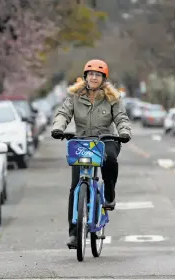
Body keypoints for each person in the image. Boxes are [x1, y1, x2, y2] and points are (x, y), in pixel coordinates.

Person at [51, 59, 132, 247]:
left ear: (103, 78)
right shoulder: (74, 96)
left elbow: (121, 117)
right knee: (75, 187)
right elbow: (63, 113)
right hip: (81, 141)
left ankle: (109, 194)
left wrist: (125, 132)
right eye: (91, 74)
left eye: (98, 75)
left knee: (111, 160)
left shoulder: (113, 97)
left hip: (105, 140)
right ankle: (73, 233)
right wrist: (58, 128)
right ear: (85, 76)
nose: (94, 77)